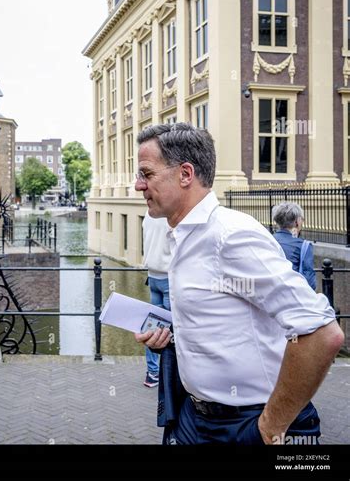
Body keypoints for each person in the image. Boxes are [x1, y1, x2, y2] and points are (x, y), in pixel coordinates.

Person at [133, 122, 343, 445]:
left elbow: (322, 332)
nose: (138, 185)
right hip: (193, 418)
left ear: (185, 174)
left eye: (146, 174)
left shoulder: (230, 236)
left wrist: (269, 428)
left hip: (245, 423)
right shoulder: (182, 235)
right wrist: (170, 338)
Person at [142, 212, 172, 388]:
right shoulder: (172, 214)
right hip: (169, 277)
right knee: (174, 330)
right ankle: (172, 376)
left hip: (152, 276)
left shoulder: (149, 214)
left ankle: (152, 373)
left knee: (153, 326)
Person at [272, 202, 316, 290]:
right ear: (297, 222)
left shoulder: (269, 239)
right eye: (302, 219)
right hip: (292, 292)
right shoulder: (303, 246)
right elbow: (310, 283)